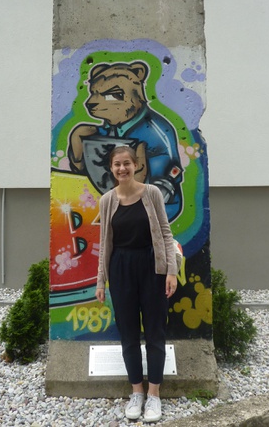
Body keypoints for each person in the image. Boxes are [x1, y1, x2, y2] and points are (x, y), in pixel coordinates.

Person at [95, 145, 178, 423]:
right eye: (117, 164)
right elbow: (105, 242)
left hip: (152, 267)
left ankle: (154, 394)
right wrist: (101, 281)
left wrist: (171, 271)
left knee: (155, 330)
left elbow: (165, 233)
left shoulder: (152, 193)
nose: (122, 168)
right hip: (121, 268)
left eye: (127, 163)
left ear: (136, 165)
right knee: (128, 332)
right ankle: (137, 392)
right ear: (111, 168)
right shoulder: (107, 200)